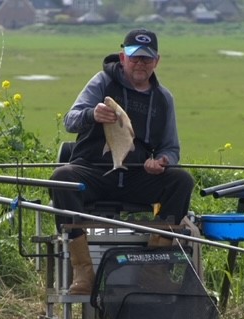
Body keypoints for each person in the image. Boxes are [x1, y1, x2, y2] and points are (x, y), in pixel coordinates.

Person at [50, 28, 195, 295]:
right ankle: (83, 271)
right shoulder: (102, 82)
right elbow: (70, 120)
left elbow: (171, 148)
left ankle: (154, 270)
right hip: (94, 171)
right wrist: (92, 114)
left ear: (157, 61)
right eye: (134, 58)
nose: (140, 64)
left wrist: (162, 161)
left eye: (146, 59)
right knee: (62, 178)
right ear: (122, 57)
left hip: (136, 176)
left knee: (181, 181)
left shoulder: (164, 99)